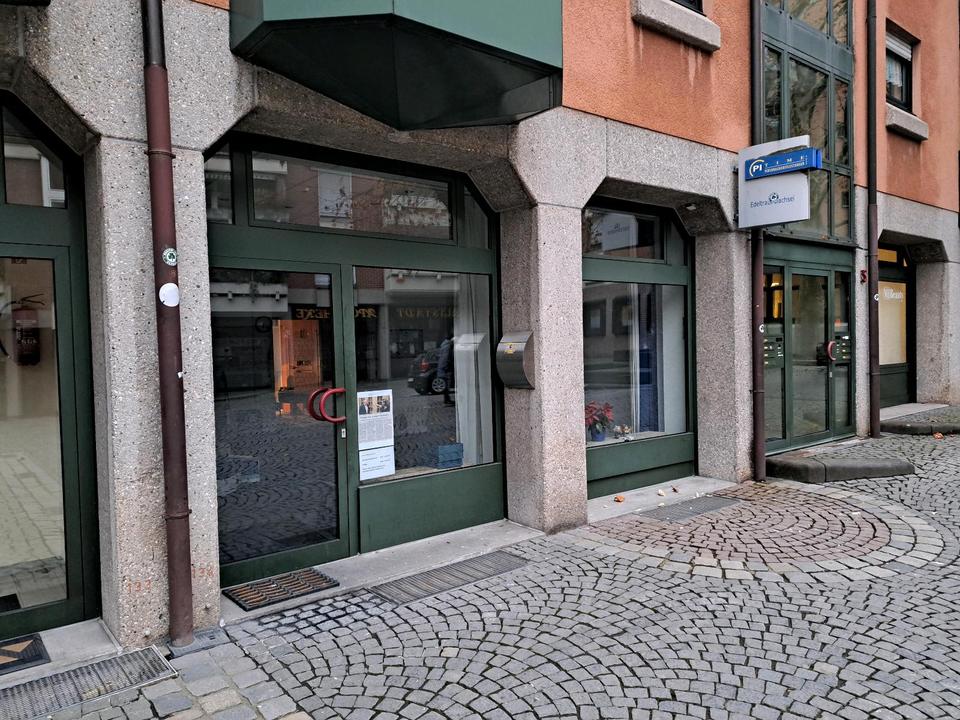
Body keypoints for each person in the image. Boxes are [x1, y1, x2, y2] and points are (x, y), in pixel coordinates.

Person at [437, 333, 454, 406]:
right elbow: (446, 358)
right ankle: (447, 400)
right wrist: (447, 367)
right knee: (447, 384)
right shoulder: (448, 346)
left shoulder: (444, 345)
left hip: (442, 368)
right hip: (445, 369)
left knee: (446, 384)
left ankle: (447, 400)